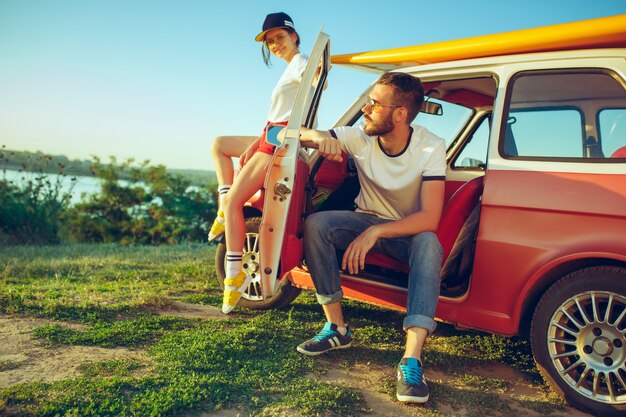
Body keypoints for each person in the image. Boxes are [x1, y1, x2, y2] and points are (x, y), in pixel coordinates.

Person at [295, 72, 446, 405]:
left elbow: (430, 218)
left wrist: (376, 231)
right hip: (361, 219)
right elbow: (288, 134)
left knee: (429, 242)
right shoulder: (359, 137)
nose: (366, 108)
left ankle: (412, 359)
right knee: (318, 223)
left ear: (400, 114)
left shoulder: (430, 146)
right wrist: (320, 138)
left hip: (403, 232)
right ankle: (337, 328)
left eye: (375, 104)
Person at [208, 12, 310, 314]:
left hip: (280, 141)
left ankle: (234, 273)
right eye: (270, 41)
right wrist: (259, 138)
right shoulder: (290, 67)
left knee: (235, 203)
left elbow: (314, 76)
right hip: (270, 133)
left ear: (293, 36)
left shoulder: (300, 62)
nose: (275, 44)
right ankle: (223, 207)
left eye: (279, 37)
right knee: (220, 145)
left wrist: (317, 69)